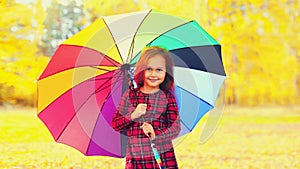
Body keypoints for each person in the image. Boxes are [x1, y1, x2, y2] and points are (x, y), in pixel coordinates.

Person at [112, 46, 181, 169]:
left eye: (159, 70)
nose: (153, 74)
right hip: (136, 159)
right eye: (149, 69)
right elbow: (116, 123)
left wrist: (156, 134)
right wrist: (133, 115)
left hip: (162, 156)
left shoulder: (167, 98)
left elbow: (175, 128)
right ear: (142, 70)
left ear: (167, 72)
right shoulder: (130, 95)